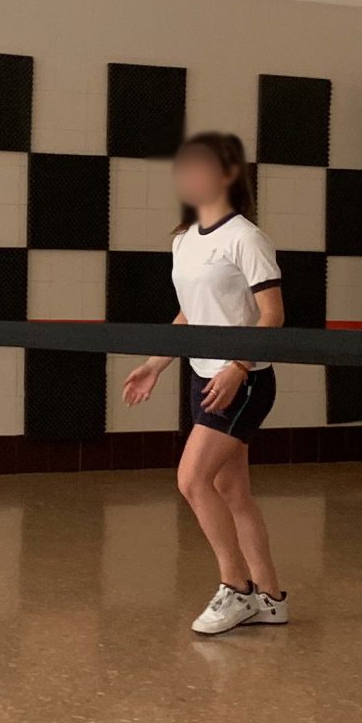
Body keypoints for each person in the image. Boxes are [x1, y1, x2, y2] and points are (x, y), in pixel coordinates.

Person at [121, 133, 288, 636]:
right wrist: (157, 363)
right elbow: (192, 314)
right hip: (202, 377)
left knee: (192, 480)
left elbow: (272, 316)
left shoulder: (247, 237)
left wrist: (237, 368)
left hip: (245, 381)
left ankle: (235, 589)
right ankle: (271, 597)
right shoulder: (184, 239)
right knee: (232, 491)